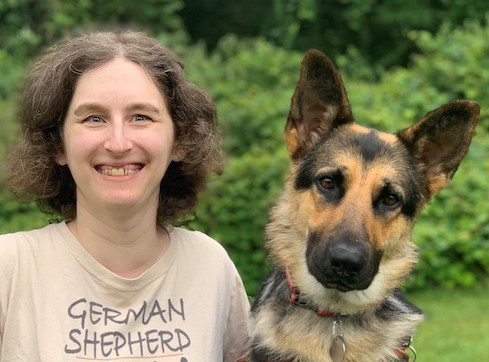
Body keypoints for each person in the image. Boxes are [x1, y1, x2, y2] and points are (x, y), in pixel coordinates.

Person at [0, 31, 250, 361]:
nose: (118, 143)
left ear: (180, 141)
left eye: (141, 117)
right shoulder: (10, 268)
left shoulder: (210, 267)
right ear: (57, 144)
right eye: (94, 118)